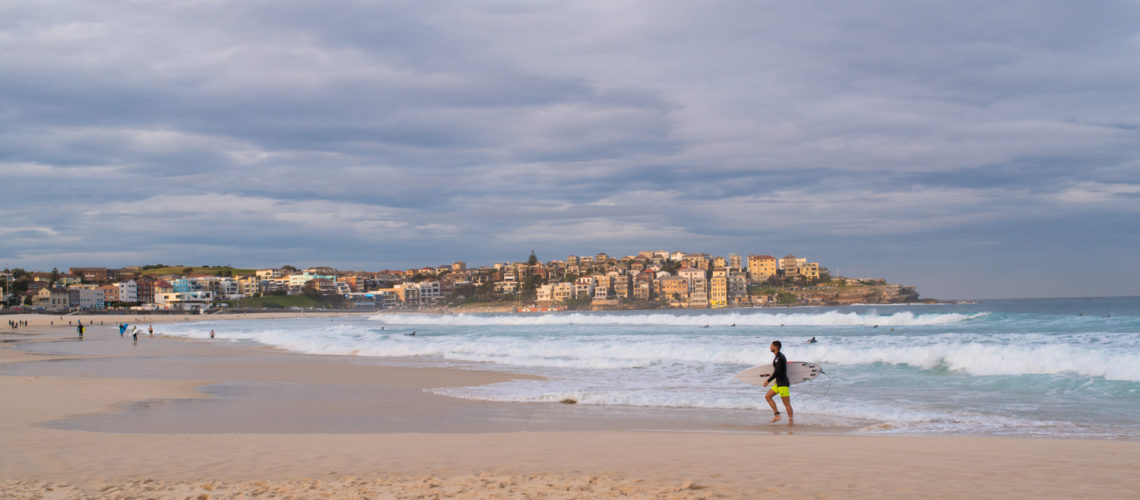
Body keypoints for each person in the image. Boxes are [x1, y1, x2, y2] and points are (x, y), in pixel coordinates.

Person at [763, 340, 793, 425]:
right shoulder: (778, 357)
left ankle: (791, 421)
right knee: (768, 396)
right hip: (779, 383)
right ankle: (777, 415)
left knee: (787, 404)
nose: (770, 347)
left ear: (775, 347)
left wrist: (767, 381)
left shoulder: (779, 358)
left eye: (771, 345)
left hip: (783, 384)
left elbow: (777, 372)